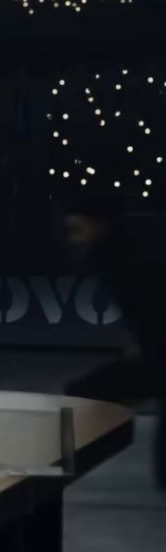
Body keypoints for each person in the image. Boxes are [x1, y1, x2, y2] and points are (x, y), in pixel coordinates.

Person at [60, 189, 166, 485]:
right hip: (156, 349)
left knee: (84, 393)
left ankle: (69, 465)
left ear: (100, 225)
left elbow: (152, 306)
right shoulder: (121, 252)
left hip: (159, 352)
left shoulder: (122, 257)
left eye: (79, 229)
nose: (74, 238)